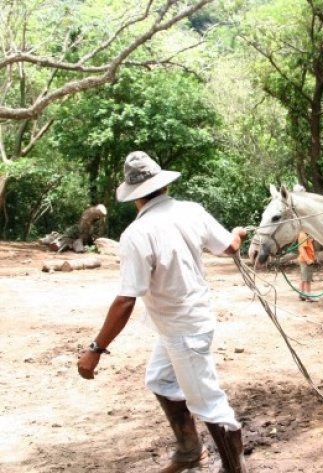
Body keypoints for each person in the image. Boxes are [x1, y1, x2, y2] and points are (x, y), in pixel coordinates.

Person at [77, 151, 248, 473]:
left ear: (134, 197)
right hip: (180, 324)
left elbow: (126, 300)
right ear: (162, 185)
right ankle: (188, 450)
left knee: (208, 403)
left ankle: (234, 468)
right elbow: (228, 247)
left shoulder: (137, 234)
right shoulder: (191, 211)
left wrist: (95, 349)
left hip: (184, 329)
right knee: (160, 379)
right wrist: (237, 233)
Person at [297, 231, 316, 302]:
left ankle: (301, 295)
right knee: (307, 279)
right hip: (306, 260)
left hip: (305, 259)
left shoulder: (306, 235)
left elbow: (306, 246)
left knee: (303, 278)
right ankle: (308, 296)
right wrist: (308, 260)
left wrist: (310, 240)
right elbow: (301, 248)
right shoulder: (303, 235)